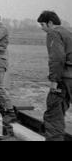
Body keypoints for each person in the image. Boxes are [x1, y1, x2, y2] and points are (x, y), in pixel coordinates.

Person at [37, 11, 72, 141]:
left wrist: (54, 81)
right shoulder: (68, 33)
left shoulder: (53, 33)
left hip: (64, 79)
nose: (42, 28)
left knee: (53, 115)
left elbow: (57, 58)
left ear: (50, 23)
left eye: (42, 24)